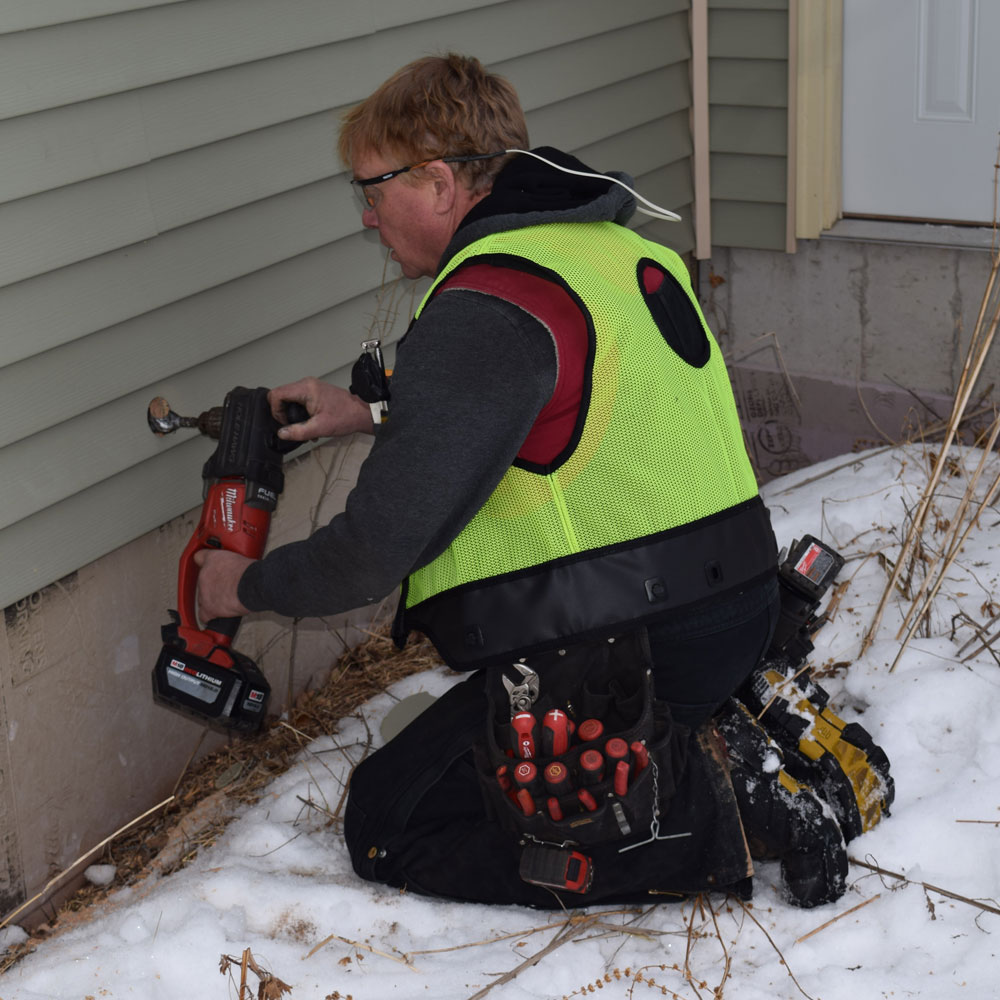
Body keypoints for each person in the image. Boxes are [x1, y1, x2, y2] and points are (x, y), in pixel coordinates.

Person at [191, 54, 838, 907]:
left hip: (625, 648)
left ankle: (712, 822)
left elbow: (373, 551)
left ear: (436, 181)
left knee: (393, 818)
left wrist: (242, 586)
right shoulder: (613, 251)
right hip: (733, 605)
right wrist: (375, 411)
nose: (366, 217)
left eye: (374, 190)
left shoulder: (486, 299)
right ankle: (702, 728)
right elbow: (579, 409)